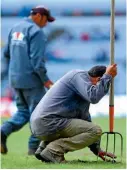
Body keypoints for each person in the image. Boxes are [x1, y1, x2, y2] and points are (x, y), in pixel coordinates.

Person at [30, 64, 117, 163]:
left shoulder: (82, 88)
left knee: (91, 129)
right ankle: (53, 151)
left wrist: (97, 149)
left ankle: (43, 149)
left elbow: (85, 120)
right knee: (96, 130)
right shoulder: (78, 76)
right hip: (48, 122)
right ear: (98, 80)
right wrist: (107, 77)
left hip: (43, 124)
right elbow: (94, 97)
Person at [0, 5, 55, 155]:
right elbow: (37, 61)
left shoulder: (15, 28)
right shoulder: (36, 32)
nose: (46, 24)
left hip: (15, 79)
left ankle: (2, 132)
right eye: (46, 20)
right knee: (40, 114)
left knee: (23, 112)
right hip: (32, 80)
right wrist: (46, 80)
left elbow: (6, 54)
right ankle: (34, 148)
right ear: (39, 16)